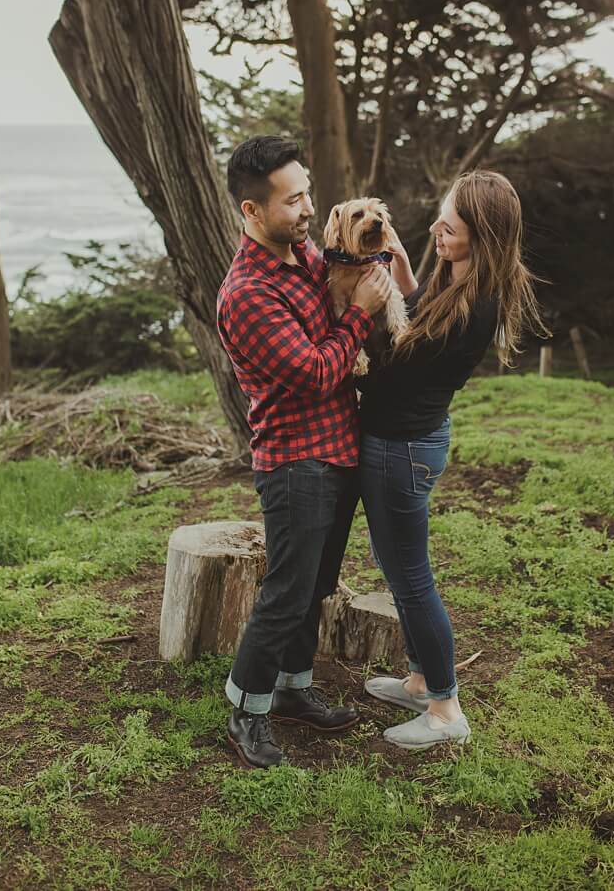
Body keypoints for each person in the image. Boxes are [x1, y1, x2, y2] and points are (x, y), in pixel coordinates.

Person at [216, 135, 393, 769]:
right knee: (286, 591)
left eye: (308, 195)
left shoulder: (304, 254)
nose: (308, 210)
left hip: (338, 449)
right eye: (293, 202)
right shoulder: (246, 294)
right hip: (296, 461)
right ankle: (247, 708)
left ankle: (293, 690)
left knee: (317, 585)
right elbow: (318, 372)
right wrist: (362, 316)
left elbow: (341, 281)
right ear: (252, 212)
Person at [356, 170, 547, 749]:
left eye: (452, 223)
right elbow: (416, 316)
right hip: (409, 441)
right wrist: (406, 277)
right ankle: (419, 680)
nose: (437, 226)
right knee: (398, 571)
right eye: (442, 214)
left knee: (413, 581)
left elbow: (393, 358)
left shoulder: (475, 305)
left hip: (401, 448)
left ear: (482, 234)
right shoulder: (459, 278)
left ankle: (445, 708)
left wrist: (359, 311)